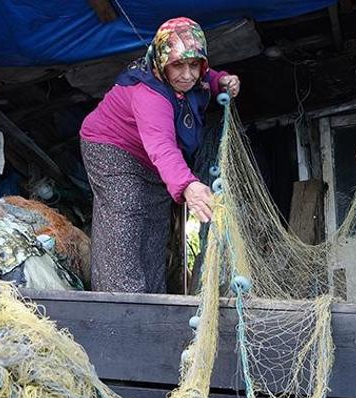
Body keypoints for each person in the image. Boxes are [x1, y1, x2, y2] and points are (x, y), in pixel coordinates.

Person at [80, 17, 240, 293]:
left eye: (194, 65)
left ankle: (153, 300)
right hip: (112, 148)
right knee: (126, 216)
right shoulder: (149, 96)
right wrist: (188, 184)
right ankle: (121, 303)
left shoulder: (194, 78)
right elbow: (162, 146)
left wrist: (221, 80)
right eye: (178, 65)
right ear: (161, 62)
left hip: (152, 161)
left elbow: (206, 78)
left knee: (155, 229)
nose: (188, 75)